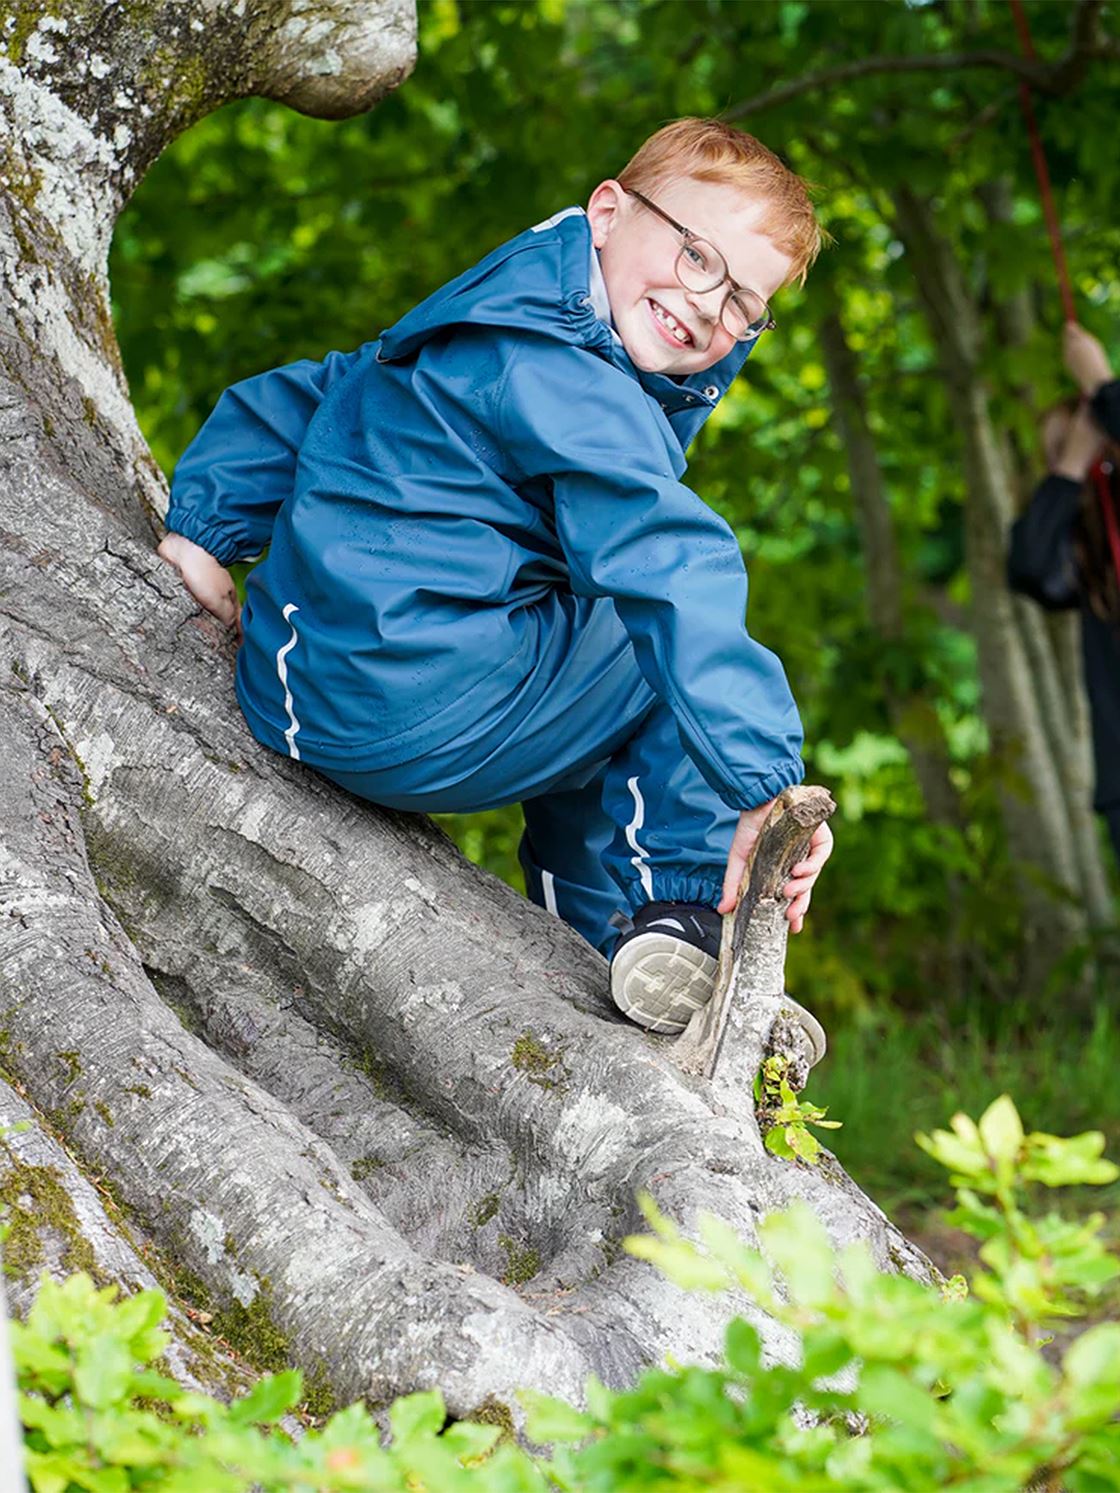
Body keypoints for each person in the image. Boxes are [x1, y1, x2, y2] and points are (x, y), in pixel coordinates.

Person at [158, 118, 834, 1045]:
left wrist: (205, 522)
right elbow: (672, 564)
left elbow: (333, 390)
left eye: (741, 308)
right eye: (696, 256)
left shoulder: (490, 309)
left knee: (591, 632)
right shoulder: (573, 375)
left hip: (291, 674)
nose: (706, 306)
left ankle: (617, 946)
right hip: (410, 702)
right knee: (654, 636)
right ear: (607, 211)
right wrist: (766, 783)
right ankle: (659, 912)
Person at [1008, 322, 1120, 868]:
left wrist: (1101, 388)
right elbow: (1031, 569)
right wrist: (1072, 470)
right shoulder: (1090, 567)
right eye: (1055, 455)